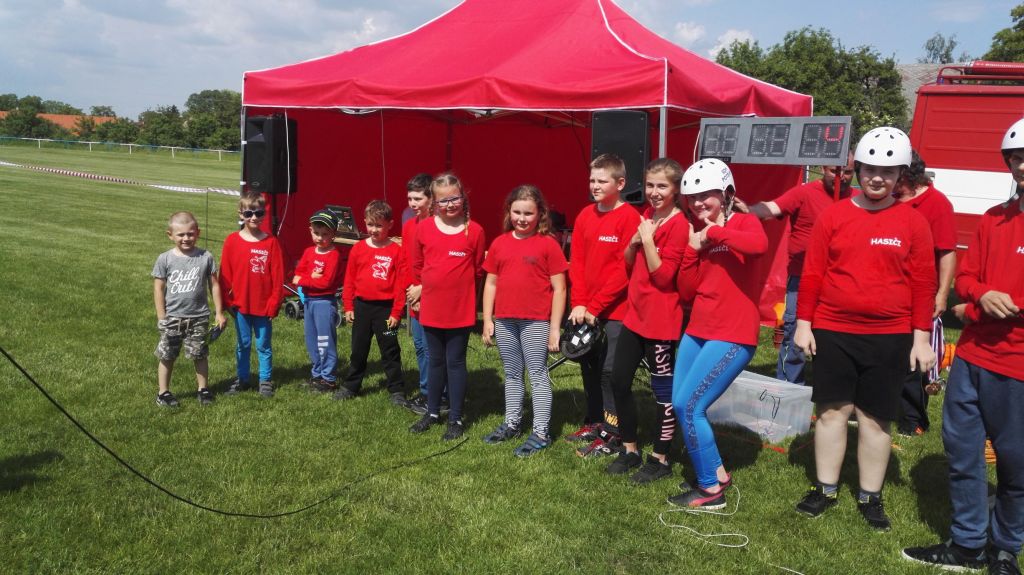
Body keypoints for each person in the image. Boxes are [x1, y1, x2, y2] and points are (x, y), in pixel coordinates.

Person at [793, 127, 936, 531]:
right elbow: (813, 273)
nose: (877, 178)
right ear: (857, 169)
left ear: (901, 175)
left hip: (889, 336)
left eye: (888, 172)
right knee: (831, 412)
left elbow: (923, 283)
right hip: (833, 330)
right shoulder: (834, 215)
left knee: (876, 419)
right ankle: (825, 488)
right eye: (870, 169)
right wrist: (803, 324)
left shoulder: (913, 222)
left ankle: (870, 496)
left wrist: (921, 338)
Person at [901, 119, 1024, 575]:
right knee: (962, 452)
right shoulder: (994, 218)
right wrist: (980, 296)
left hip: (1017, 365)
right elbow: (967, 277)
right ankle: (969, 544)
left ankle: (1005, 549)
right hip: (973, 357)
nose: (1023, 165)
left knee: (1015, 464)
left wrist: (979, 306)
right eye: (1017, 158)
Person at [667, 159, 767, 509]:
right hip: (698, 330)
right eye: (692, 198)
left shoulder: (744, 222)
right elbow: (687, 290)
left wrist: (714, 234)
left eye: (705, 195)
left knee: (689, 406)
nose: (698, 203)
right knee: (681, 404)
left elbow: (758, 245)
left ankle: (711, 490)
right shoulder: (697, 234)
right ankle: (718, 473)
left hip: (733, 332)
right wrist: (692, 251)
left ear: (726, 194)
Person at [732, 153, 855, 385]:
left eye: (848, 172)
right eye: (835, 171)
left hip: (840, 281)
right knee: (794, 334)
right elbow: (772, 208)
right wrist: (749, 210)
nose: (841, 177)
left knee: (833, 337)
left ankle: (829, 387)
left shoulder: (857, 199)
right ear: (823, 168)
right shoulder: (804, 193)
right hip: (802, 277)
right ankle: (788, 387)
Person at [606, 158, 688, 483]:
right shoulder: (647, 217)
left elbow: (664, 277)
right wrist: (634, 242)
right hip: (635, 316)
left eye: (662, 186)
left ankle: (661, 458)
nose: (654, 192)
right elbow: (628, 263)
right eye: (650, 185)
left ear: (676, 189)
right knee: (618, 381)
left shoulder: (679, 225)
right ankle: (630, 449)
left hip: (661, 322)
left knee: (662, 393)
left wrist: (649, 240)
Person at [480, 185, 568, 457]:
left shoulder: (548, 244)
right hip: (505, 320)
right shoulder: (500, 243)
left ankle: (540, 432)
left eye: (528, 213)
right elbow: (491, 283)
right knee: (512, 373)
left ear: (540, 214)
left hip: (535, 322)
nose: (522, 218)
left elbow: (560, 289)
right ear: (509, 212)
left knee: (537, 374)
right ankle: (512, 423)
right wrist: (488, 319)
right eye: (517, 212)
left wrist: (554, 328)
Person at [566, 153, 642, 458]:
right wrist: (579, 303)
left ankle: (614, 433)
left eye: (602, 181)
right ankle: (596, 422)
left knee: (611, 372)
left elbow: (625, 270)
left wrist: (595, 306)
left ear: (620, 183)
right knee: (590, 367)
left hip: (617, 312)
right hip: (586, 310)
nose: (594, 186)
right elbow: (577, 263)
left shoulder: (630, 218)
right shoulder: (585, 215)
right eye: (591, 180)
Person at [408, 173, 486, 441]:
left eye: (455, 198)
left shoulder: (474, 231)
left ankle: (456, 417)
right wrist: (423, 291)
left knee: (455, 362)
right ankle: (432, 412)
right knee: (435, 360)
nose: (450, 204)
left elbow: (477, 271)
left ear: (463, 197)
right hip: (431, 308)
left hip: (459, 310)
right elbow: (417, 265)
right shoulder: (424, 228)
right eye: (443, 200)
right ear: (434, 202)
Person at [894, 150, 957, 437]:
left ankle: (913, 420)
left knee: (913, 360)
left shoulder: (936, 203)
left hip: (918, 295)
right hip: (887, 293)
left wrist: (942, 294)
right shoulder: (889, 198)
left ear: (908, 174)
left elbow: (947, 252)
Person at [334, 200, 409, 407]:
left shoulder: (396, 251)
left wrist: (396, 312)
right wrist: (348, 306)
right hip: (362, 307)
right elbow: (349, 280)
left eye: (379, 225)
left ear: (390, 225)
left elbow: (401, 284)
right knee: (358, 349)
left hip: (386, 309)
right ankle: (351, 385)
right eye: (370, 224)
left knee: (390, 349)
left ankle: (396, 389)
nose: (374, 230)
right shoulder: (358, 249)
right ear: (364, 222)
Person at [152, 211, 227, 407]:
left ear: (198, 233)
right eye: (181, 234)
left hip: (199, 316)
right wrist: (161, 317)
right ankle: (163, 393)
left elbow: (214, 286)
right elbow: (158, 288)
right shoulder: (165, 259)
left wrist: (219, 312)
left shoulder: (205, 257)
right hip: (173, 318)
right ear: (170, 235)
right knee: (167, 355)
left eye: (190, 234)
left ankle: (203, 389)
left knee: (200, 354)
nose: (186, 238)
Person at [218, 193, 285, 398]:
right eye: (248, 213)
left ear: (264, 213)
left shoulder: (271, 242)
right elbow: (224, 276)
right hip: (240, 307)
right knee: (243, 344)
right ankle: (243, 379)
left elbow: (278, 277)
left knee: (263, 345)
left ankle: (265, 380)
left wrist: (274, 304)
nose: (254, 217)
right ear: (240, 214)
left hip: (263, 307)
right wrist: (227, 302)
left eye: (258, 213)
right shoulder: (232, 241)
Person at [402, 173, 445, 415]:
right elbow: (408, 261)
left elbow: (438, 264)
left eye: (418, 198)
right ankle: (426, 390)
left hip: (432, 294)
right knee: (419, 345)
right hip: (414, 293)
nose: (413, 203)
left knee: (432, 348)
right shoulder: (410, 225)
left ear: (431, 198)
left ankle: (440, 394)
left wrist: (423, 290)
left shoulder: (440, 225)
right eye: (410, 198)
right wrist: (410, 292)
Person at [292, 209, 345, 391]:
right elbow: (296, 275)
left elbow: (326, 283)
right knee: (312, 340)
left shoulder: (334, 255)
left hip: (324, 302)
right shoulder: (308, 252)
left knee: (325, 340)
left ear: (333, 234)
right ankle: (317, 374)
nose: (320, 238)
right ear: (310, 230)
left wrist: (306, 279)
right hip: (309, 302)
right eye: (316, 233)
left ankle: (328, 378)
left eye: (325, 234)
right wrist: (311, 277)